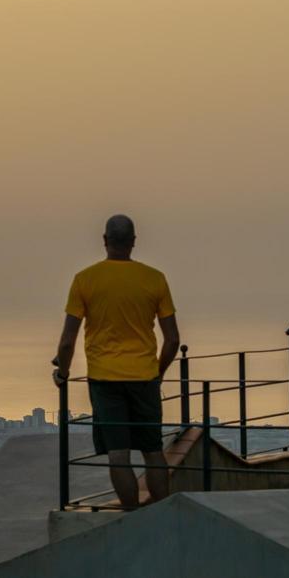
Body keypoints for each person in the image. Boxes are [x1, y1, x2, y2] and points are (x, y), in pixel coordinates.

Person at [52, 214, 180, 509]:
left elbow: (68, 340)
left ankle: (131, 513)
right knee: (153, 451)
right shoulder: (154, 278)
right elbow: (172, 339)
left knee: (118, 455)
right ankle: (163, 511)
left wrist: (64, 371)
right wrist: (157, 373)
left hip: (105, 380)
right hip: (145, 378)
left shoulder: (85, 280)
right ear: (134, 242)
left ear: (105, 240)